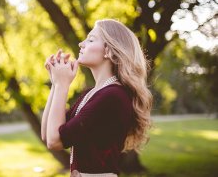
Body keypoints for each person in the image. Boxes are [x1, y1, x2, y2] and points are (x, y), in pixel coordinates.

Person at [41, 19, 152, 177]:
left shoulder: (112, 96)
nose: (81, 43)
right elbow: (47, 133)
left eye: (91, 39)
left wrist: (62, 85)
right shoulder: (93, 93)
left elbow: (55, 141)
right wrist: (56, 82)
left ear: (109, 51)